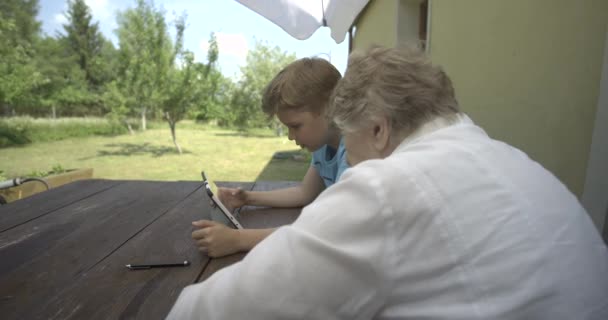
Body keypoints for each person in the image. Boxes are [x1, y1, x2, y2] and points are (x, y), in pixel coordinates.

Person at [169, 46, 608, 319]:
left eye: (348, 132)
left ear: (378, 130)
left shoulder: (389, 185)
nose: (349, 157)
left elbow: (216, 311)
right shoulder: (517, 161)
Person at [191, 57, 349, 258]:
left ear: (329, 109)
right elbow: (304, 193)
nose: (291, 136)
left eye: (295, 126)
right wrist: (248, 198)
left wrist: (238, 239)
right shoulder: (323, 148)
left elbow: (330, 231)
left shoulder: (353, 153)